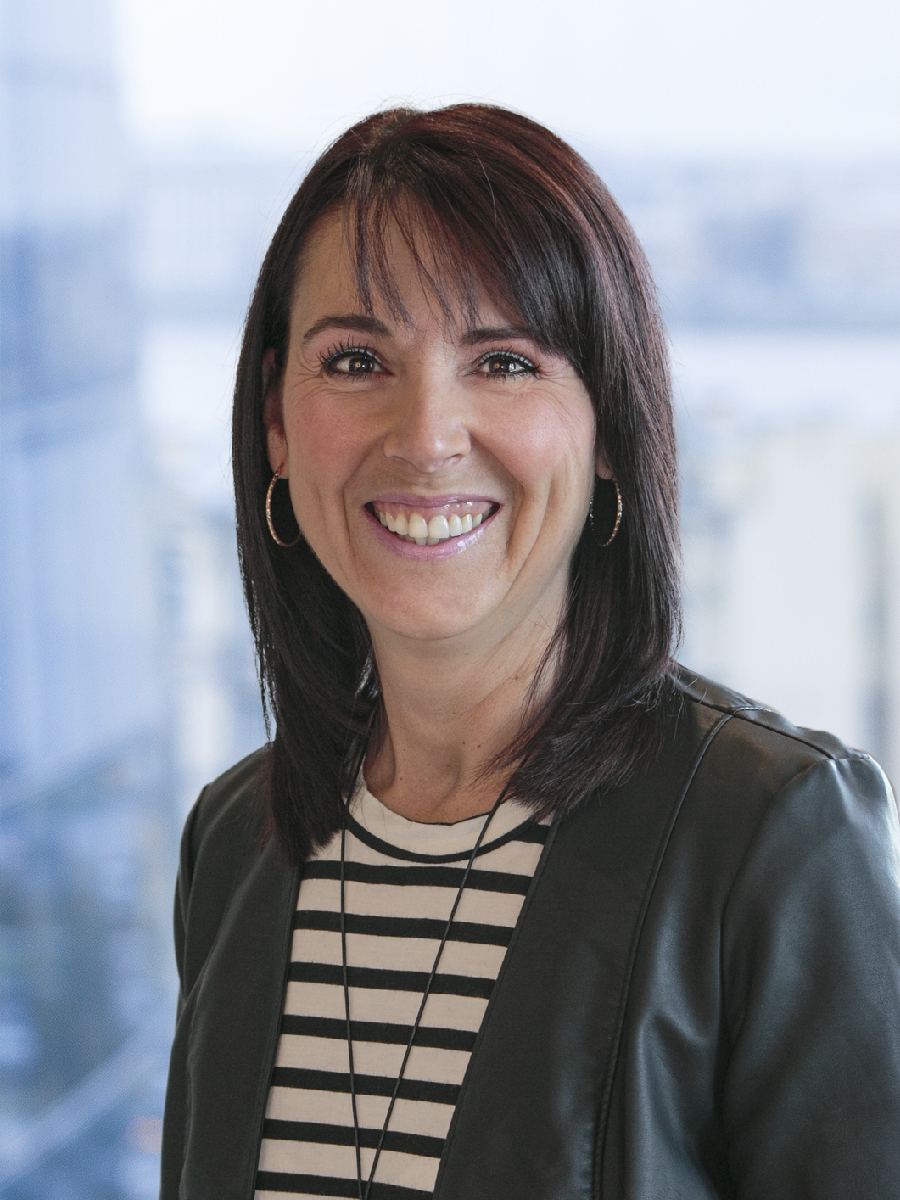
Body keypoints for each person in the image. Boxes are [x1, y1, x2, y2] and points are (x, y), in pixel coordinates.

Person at [160, 105, 900, 1200]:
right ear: (276, 420)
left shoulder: (771, 837)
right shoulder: (238, 843)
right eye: (356, 358)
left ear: (607, 429)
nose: (424, 435)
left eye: (504, 361)